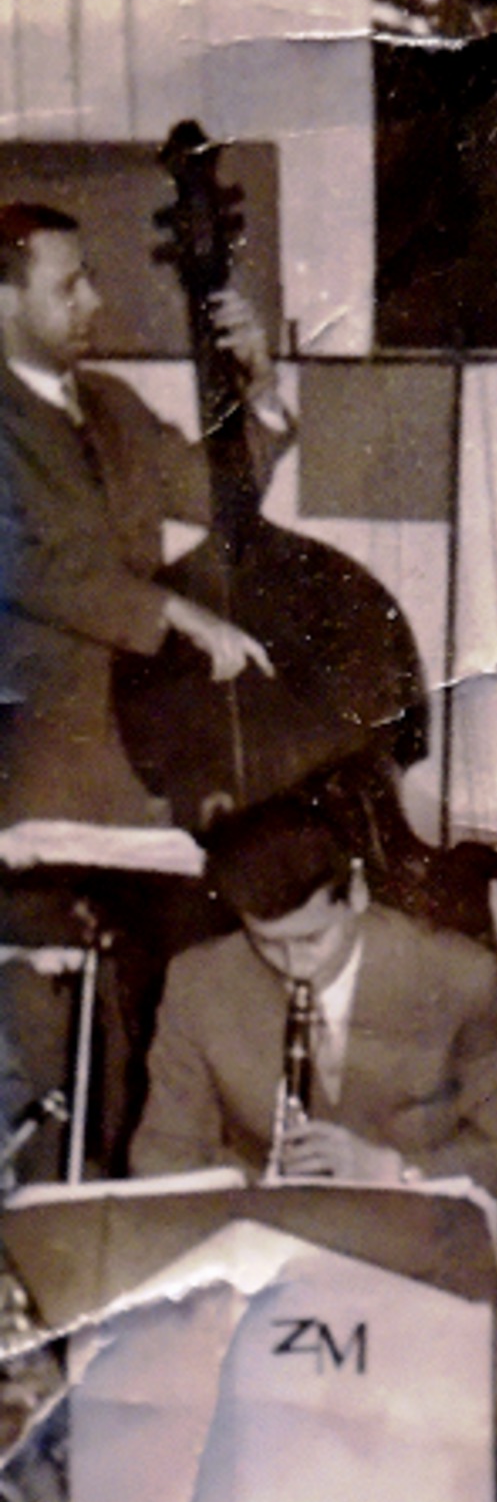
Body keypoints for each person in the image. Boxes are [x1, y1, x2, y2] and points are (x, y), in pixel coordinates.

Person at [0, 200, 288, 1173]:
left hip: (136, 764)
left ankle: (137, 1191)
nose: (94, 300)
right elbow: (32, 567)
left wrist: (260, 389)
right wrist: (173, 616)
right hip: (32, 766)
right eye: (69, 284)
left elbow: (217, 494)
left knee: (155, 999)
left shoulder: (114, 406)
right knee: (53, 1027)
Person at [130, 798, 497, 1192]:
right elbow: (162, 1153)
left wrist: (393, 1172)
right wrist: (264, 1191)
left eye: (312, 939)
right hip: (263, 1222)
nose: (295, 966)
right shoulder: (197, 982)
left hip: (413, 1222)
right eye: (268, 943)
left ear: (357, 891)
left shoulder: (460, 976)